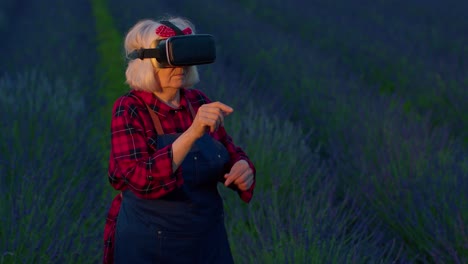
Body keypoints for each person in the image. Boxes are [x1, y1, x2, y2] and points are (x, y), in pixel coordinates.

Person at [102, 17, 256, 264]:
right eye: (170, 58)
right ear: (146, 64)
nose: (180, 67)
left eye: (186, 57)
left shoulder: (198, 101)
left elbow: (227, 151)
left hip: (207, 241)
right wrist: (192, 133)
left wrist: (242, 167)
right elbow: (140, 178)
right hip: (151, 244)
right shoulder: (130, 108)